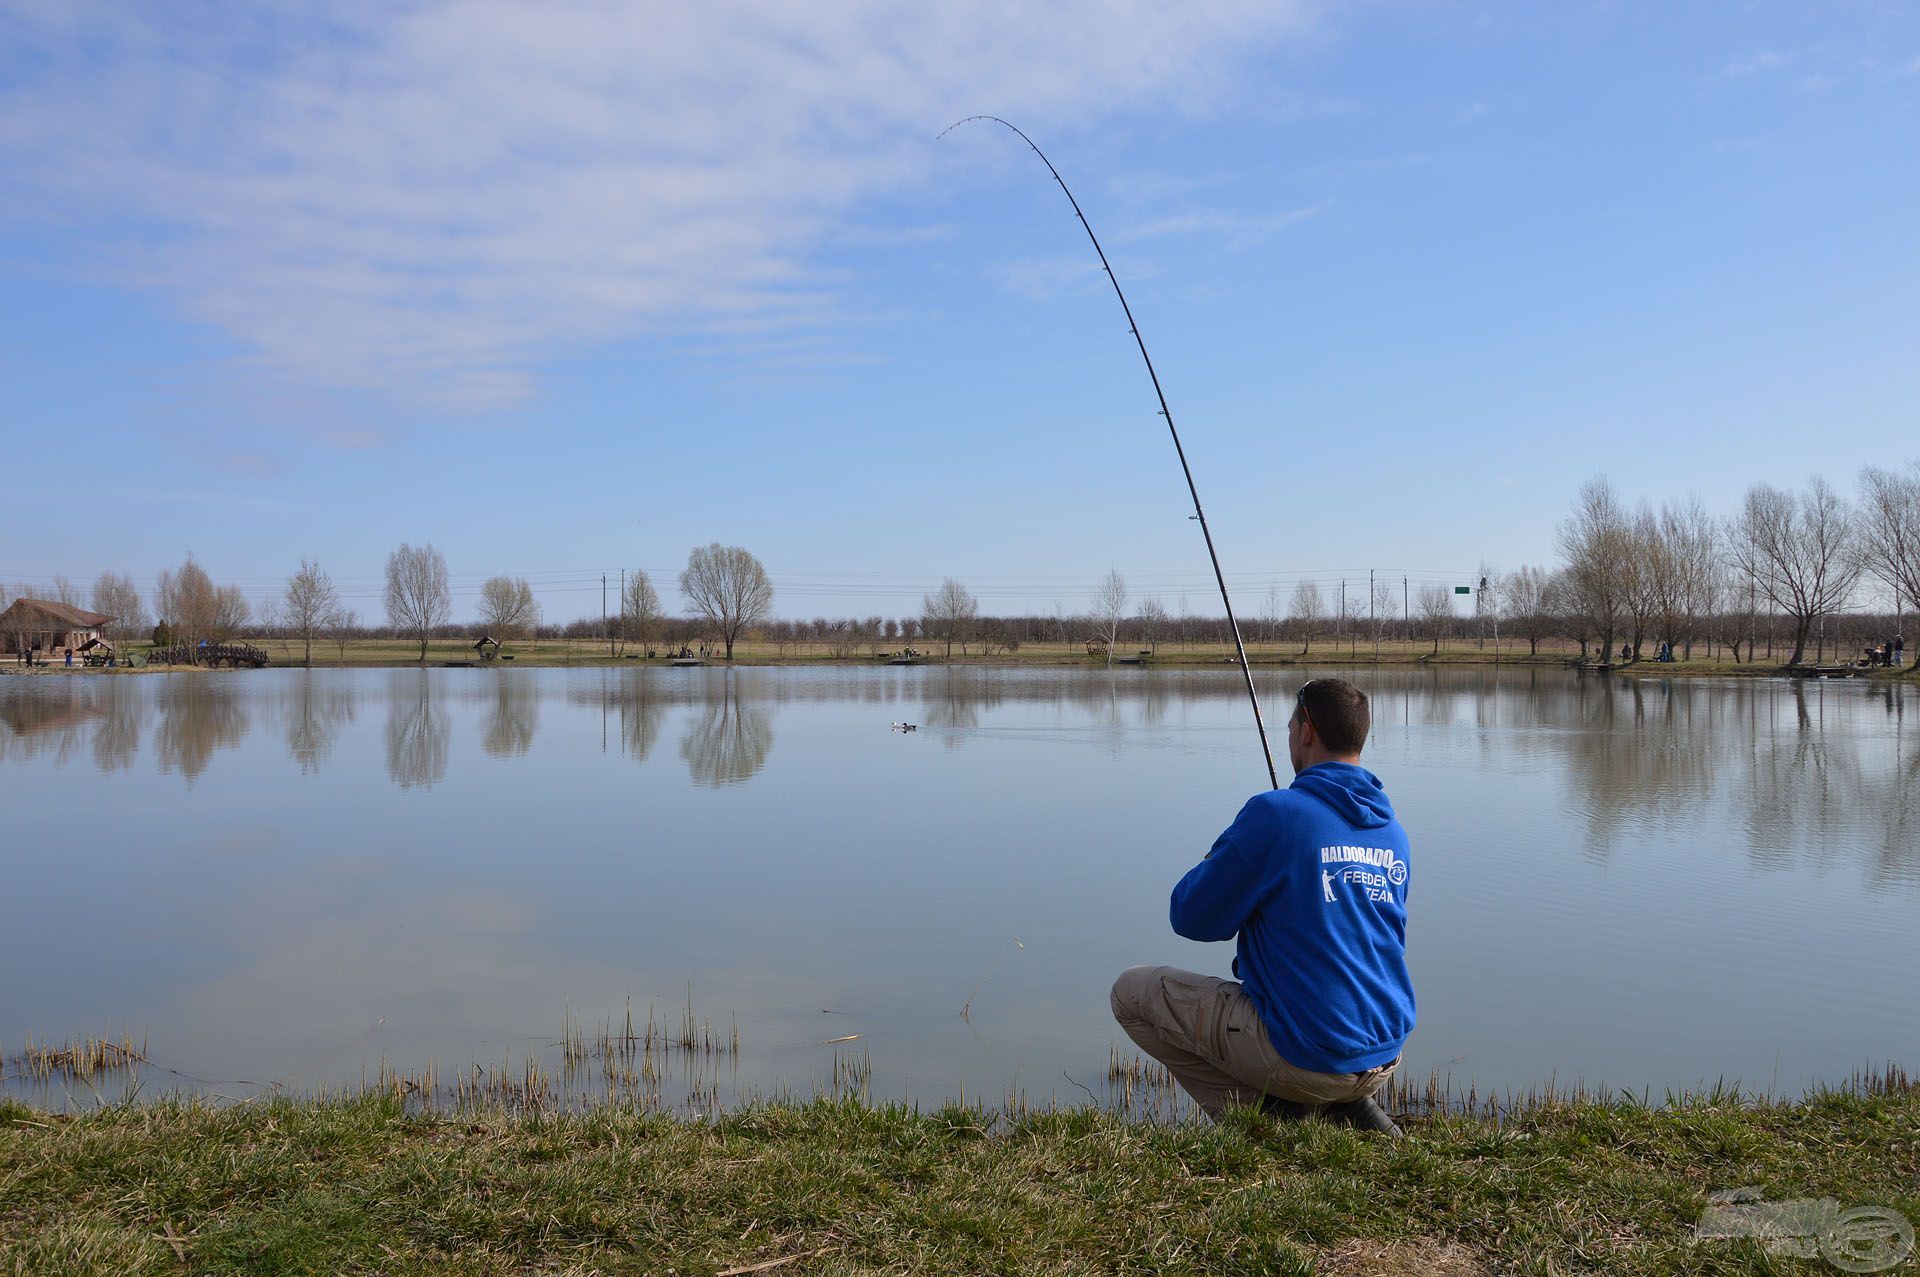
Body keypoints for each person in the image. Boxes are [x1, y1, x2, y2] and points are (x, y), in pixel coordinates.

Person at [1111, 678, 1413, 1135]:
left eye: (1291, 725)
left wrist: (1226, 852)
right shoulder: (1393, 833)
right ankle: (1347, 1106)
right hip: (1385, 1054)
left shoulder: (1276, 815)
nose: (1289, 735)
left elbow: (1190, 914)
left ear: (1307, 731)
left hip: (1310, 1057)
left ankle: (1269, 1119)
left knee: (1130, 992)